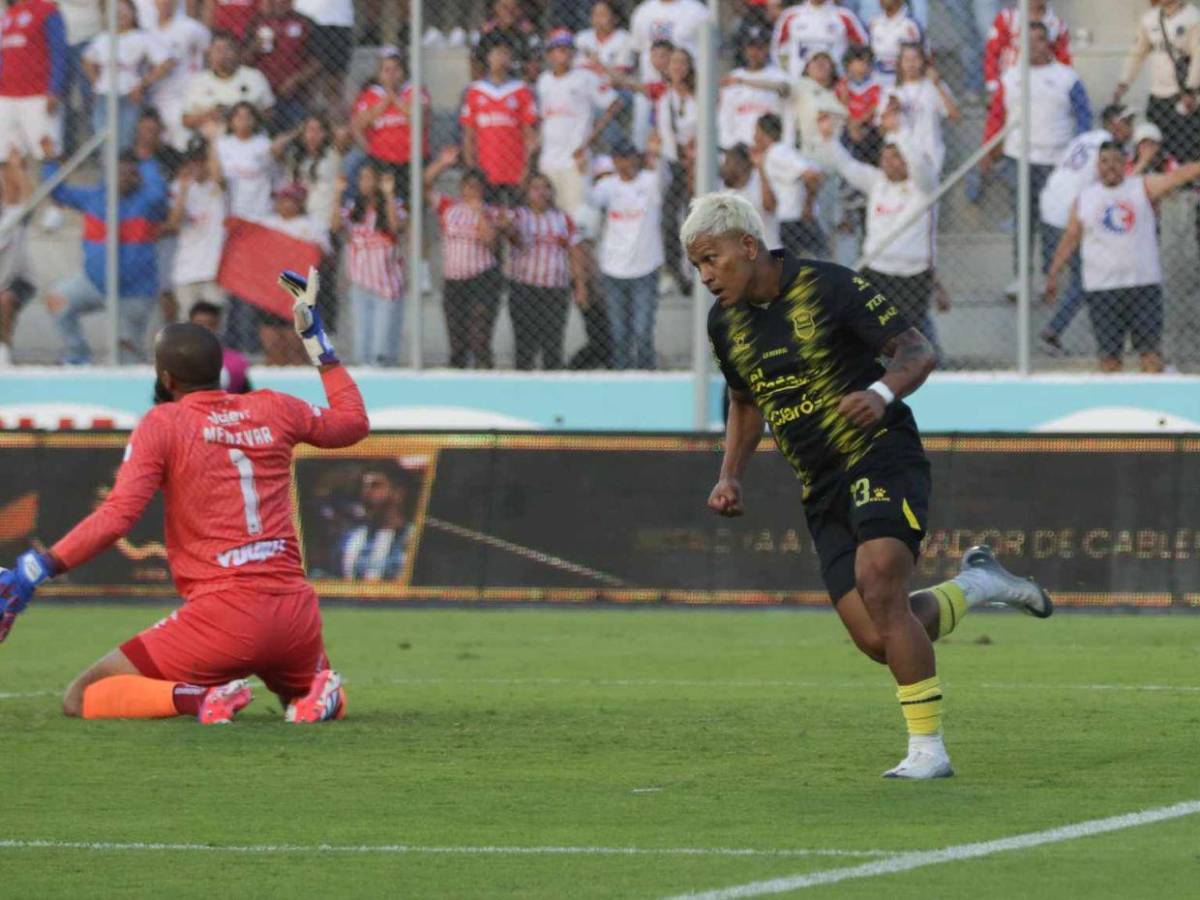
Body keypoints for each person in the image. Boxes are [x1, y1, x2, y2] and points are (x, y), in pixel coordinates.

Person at [686, 191, 1052, 779]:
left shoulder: (828, 286)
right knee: (878, 635)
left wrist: (880, 393)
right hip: (821, 485)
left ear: (748, 246)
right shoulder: (724, 323)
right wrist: (730, 473)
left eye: (711, 259)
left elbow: (916, 349)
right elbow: (745, 399)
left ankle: (927, 750)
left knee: (880, 581)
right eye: (696, 266)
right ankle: (979, 585)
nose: (704, 276)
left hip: (881, 455)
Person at [0, 271, 369, 725]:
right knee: (304, 694)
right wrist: (316, 340)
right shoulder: (273, 406)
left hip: (224, 617)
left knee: (83, 694)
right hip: (295, 614)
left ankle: (203, 698)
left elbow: (117, 517)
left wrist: (34, 569)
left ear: (167, 377)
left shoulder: (165, 423)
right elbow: (354, 423)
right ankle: (324, 697)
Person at [1045, 145, 1200, 374]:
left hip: (1142, 285)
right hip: (1102, 289)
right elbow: (1070, 237)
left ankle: (1153, 406)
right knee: (1109, 359)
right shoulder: (1086, 198)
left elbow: (1178, 176)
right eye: (1105, 162)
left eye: (1117, 161)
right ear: (1097, 166)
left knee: (1150, 356)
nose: (1111, 167)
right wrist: (1054, 273)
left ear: (1124, 164)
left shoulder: (1141, 187)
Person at [817, 115, 944, 356]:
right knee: (865, 324)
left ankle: (933, 362)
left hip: (912, 273)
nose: (888, 163)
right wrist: (829, 139)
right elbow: (847, 165)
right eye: (884, 158)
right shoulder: (877, 182)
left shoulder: (924, 187)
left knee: (910, 330)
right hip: (876, 268)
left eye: (895, 158)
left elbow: (919, 164)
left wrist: (900, 131)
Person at [981, 23, 1090, 294]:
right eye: (1027, 41)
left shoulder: (1067, 77)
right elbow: (997, 116)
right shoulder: (1010, 77)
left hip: (1056, 161)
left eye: (1039, 40)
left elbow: (1084, 117)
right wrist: (987, 149)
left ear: (1048, 43)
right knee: (1023, 220)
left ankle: (1049, 276)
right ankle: (1022, 277)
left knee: (1052, 220)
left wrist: (1080, 153)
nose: (1033, 46)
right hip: (1019, 158)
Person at [43, 147, 169, 364]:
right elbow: (57, 191)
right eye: (120, 173)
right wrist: (48, 162)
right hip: (94, 284)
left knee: (125, 351)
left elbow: (159, 193)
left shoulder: (148, 202)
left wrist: (146, 161)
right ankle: (78, 355)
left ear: (139, 177)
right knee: (57, 300)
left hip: (134, 291)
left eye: (131, 174)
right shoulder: (94, 197)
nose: (125, 179)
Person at [1037, 104, 1136, 353]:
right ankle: (1053, 332)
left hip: (1050, 207)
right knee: (1086, 280)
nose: (1130, 129)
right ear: (1114, 123)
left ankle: (1082, 332)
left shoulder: (1084, 138)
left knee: (1085, 278)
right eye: (1127, 122)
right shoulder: (1109, 148)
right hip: (1070, 214)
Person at [590, 138, 665, 369]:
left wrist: (658, 154)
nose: (626, 162)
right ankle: (622, 380)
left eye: (630, 157)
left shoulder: (651, 182)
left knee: (642, 332)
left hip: (646, 268)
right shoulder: (607, 186)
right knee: (619, 334)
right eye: (620, 158)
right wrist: (584, 171)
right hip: (613, 270)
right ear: (614, 161)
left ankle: (647, 378)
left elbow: (665, 177)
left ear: (637, 158)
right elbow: (589, 200)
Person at [425, 147, 503, 369]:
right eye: (469, 186)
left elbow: (491, 241)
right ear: (461, 188)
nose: (473, 191)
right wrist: (442, 164)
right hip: (454, 280)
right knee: (457, 341)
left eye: (478, 187)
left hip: (482, 278)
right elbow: (422, 185)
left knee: (480, 340)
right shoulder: (449, 207)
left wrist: (478, 212)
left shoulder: (490, 211)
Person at [504, 172, 587, 370]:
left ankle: (552, 391)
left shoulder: (563, 219)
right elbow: (510, 233)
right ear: (527, 193)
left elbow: (575, 252)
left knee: (553, 345)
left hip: (555, 291)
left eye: (545, 187)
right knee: (525, 347)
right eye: (535, 188)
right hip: (524, 289)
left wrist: (580, 286)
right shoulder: (519, 216)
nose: (541, 192)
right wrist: (507, 226)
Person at [536, 30, 620, 218]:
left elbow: (614, 103)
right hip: (549, 158)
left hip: (575, 159)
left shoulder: (585, 77)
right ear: (549, 54)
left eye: (566, 49)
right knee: (551, 214)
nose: (563, 54)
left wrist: (589, 140)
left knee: (577, 214)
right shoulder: (543, 81)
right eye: (558, 49)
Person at [330, 165, 406, 367]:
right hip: (360, 286)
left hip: (386, 287)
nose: (365, 183)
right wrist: (338, 193)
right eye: (362, 178)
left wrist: (389, 194)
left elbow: (395, 226)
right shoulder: (353, 208)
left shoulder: (394, 205)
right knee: (362, 349)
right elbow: (335, 226)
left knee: (382, 351)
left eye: (370, 178)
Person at [1114, 0, 1200, 164]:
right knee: (1157, 141)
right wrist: (1124, 82)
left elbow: (1198, 56)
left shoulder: (1193, 17)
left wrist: (1191, 89)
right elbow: (1137, 53)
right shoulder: (1149, 19)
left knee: (1187, 144)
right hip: (1157, 93)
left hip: (1182, 94)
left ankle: (1189, 185)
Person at [83, 0, 171, 151]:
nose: (120, 15)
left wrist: (142, 85)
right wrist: (96, 82)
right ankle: (107, 173)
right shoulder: (103, 37)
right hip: (104, 95)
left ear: (133, 13)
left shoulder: (142, 37)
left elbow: (165, 62)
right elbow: (87, 60)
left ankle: (123, 171)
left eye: (124, 11)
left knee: (125, 140)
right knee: (103, 139)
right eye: (116, 12)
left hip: (128, 94)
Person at [460, 42, 538, 207]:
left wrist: (526, 170)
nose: (500, 59)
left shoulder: (522, 90)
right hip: (484, 172)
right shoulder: (474, 91)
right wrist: (471, 169)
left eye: (504, 54)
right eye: (496, 54)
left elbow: (529, 134)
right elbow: (468, 135)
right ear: (487, 58)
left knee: (514, 220)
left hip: (515, 171)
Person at [351, 48, 431, 207]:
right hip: (381, 161)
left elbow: (419, 118)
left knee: (410, 208)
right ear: (379, 73)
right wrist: (385, 102)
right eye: (386, 70)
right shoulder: (370, 94)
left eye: (396, 69)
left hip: (412, 161)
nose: (391, 74)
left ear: (403, 72)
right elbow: (357, 124)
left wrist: (395, 98)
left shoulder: (415, 91)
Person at [0, 0, 67, 166]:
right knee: (9, 157)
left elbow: (59, 52)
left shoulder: (47, 10)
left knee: (47, 153)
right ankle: (20, 192)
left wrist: (55, 89)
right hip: (6, 95)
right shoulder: (8, 14)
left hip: (37, 95)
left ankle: (52, 191)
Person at [655, 46, 699, 292]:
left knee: (696, 219)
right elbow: (666, 136)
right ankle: (674, 271)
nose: (678, 67)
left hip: (699, 163)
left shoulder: (699, 96)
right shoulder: (665, 100)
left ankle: (697, 271)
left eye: (683, 62)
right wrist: (681, 158)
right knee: (669, 218)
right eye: (674, 63)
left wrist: (695, 154)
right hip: (677, 165)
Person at [754, 112, 826, 258]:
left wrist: (808, 205)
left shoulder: (778, 152)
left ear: (762, 133)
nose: (754, 137)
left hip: (798, 222)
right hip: (788, 222)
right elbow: (769, 204)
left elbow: (812, 175)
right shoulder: (770, 156)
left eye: (756, 132)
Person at [881, 42, 959, 175]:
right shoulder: (891, 90)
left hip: (929, 153)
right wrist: (892, 111)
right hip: (900, 156)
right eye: (906, 59)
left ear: (923, 62)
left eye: (915, 59)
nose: (911, 64)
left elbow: (955, 116)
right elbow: (883, 128)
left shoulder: (934, 87)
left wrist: (938, 85)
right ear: (900, 63)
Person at [168, 139, 227, 312]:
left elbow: (218, 176)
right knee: (188, 327)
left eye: (202, 161)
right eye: (193, 162)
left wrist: (211, 141)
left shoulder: (217, 188)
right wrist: (184, 190)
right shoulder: (177, 188)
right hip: (186, 271)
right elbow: (174, 223)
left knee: (215, 325)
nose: (197, 166)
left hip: (214, 270)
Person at [181, 30, 275, 135]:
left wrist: (245, 117)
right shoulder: (198, 81)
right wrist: (209, 115)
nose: (223, 55)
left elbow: (270, 112)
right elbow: (186, 121)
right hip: (212, 141)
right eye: (218, 50)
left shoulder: (254, 76)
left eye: (227, 49)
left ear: (237, 52)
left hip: (249, 139)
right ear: (209, 54)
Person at [248, 0, 320, 134]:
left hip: (294, 95)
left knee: (294, 134)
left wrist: (296, 80)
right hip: (262, 95)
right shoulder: (257, 21)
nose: (280, 2)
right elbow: (242, 60)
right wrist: (254, 47)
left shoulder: (305, 23)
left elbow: (317, 61)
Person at [147, 0, 211, 153]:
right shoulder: (149, 32)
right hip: (158, 94)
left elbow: (207, 52)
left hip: (188, 90)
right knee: (163, 136)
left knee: (182, 133)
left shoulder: (191, 28)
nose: (164, 3)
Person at [718, 25, 790, 152]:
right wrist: (730, 146)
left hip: (771, 148)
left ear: (767, 49)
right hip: (738, 149)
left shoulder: (779, 75)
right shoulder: (733, 76)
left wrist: (742, 81)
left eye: (759, 47)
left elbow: (784, 89)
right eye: (751, 47)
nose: (754, 53)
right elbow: (725, 117)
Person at [984, 0, 1072, 99]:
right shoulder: (1007, 18)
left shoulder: (1057, 25)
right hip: (1010, 85)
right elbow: (992, 53)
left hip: (1044, 86)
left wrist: (1061, 86)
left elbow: (1064, 60)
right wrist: (993, 84)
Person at [339, 464, 412, 582]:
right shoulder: (351, 539)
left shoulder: (414, 537)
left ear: (398, 493)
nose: (366, 492)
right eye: (364, 486)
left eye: (376, 486)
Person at [771, 0, 868, 83]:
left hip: (834, 85)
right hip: (798, 83)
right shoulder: (790, 16)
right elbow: (777, 49)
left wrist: (847, 75)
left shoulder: (845, 17)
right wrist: (788, 73)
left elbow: (862, 49)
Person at [0, 155, 35, 367]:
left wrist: (16, 168)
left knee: (4, 300)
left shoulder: (11, 216)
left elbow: (32, 199)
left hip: (18, 279)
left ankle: (3, 352)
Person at [291, 0, 354, 114]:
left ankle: (334, 119)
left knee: (335, 79)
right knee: (309, 79)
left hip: (338, 20)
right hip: (304, 14)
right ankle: (308, 120)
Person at [629, 0, 709, 83]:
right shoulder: (642, 11)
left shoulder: (698, 11)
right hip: (650, 84)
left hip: (688, 87)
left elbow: (710, 51)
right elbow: (638, 49)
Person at [721, 142, 780, 251]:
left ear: (741, 164)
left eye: (728, 162)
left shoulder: (760, 182)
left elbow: (770, 206)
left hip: (767, 253)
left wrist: (761, 168)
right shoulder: (724, 193)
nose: (724, 167)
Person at [188, 299, 252, 393]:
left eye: (210, 324)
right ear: (190, 326)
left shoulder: (236, 362)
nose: (206, 329)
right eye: (200, 324)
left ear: (218, 326)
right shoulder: (179, 361)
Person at [474, 0, 543, 83]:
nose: (509, 12)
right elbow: (476, 66)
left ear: (519, 10)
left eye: (514, 8)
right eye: (505, 7)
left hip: (520, 84)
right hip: (492, 84)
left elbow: (534, 70)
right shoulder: (486, 34)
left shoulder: (527, 34)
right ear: (495, 8)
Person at [868, 0, 923, 85]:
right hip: (877, 77)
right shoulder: (874, 22)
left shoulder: (911, 25)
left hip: (903, 79)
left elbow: (924, 55)